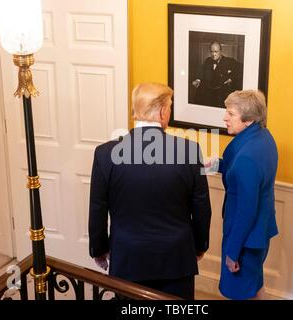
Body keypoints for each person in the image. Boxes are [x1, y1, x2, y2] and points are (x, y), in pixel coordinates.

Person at [88, 82, 212, 300]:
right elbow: (201, 207)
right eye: (170, 107)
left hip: (128, 256)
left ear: (137, 112)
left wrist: (98, 249)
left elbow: (98, 207)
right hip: (177, 257)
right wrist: (200, 245)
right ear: (163, 111)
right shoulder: (190, 151)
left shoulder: (105, 154)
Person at [210, 90, 278, 300]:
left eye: (231, 113)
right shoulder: (263, 138)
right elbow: (241, 172)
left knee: (240, 293)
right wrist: (212, 164)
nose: (225, 118)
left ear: (248, 120)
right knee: (255, 288)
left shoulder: (247, 157)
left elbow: (245, 212)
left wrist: (232, 253)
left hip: (245, 241)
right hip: (260, 232)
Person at [192, 41, 243, 108]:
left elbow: (241, 69)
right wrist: (198, 80)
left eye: (216, 52)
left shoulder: (229, 61)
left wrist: (231, 79)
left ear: (221, 51)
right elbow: (202, 71)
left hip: (221, 96)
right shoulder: (208, 60)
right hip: (209, 95)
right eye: (212, 52)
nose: (214, 54)